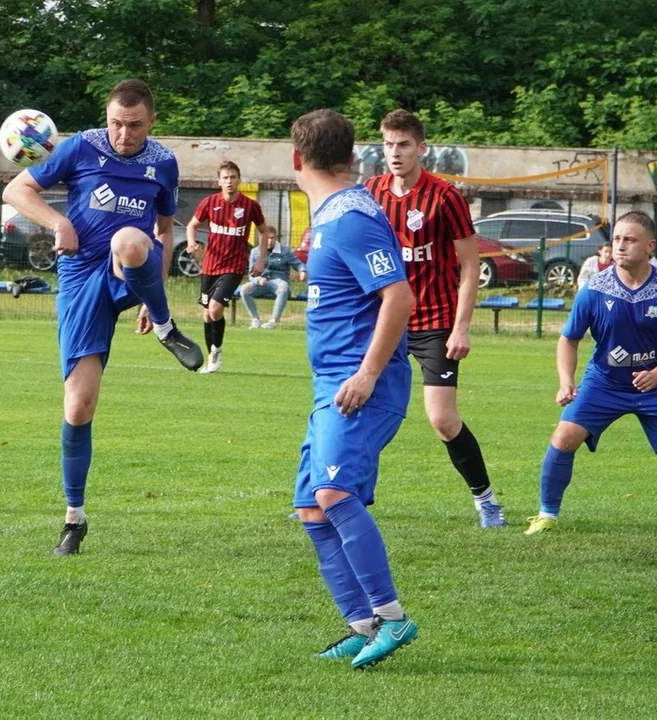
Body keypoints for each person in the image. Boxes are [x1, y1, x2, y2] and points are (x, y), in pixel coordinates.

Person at [2, 79, 204, 556]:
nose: (123, 133)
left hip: (130, 262)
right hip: (80, 278)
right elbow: (17, 189)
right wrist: (59, 222)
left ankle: (164, 324)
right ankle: (74, 518)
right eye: (116, 122)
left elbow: (162, 230)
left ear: (151, 122)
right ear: (106, 116)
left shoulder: (163, 163)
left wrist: (152, 288)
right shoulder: (80, 148)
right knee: (78, 406)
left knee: (129, 242)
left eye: (134, 125)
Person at [290, 109, 418, 669]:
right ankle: (363, 625)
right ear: (352, 156)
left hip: (361, 384)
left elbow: (399, 296)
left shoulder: (350, 218)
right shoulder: (334, 215)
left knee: (335, 495)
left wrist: (366, 373)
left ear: (298, 161)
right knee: (311, 509)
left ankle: (393, 619)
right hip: (331, 384)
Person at [523, 212, 657, 537]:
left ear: (650, 246)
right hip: (603, 383)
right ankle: (546, 515)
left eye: (630, 240)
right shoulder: (593, 290)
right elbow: (568, 340)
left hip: (656, 386)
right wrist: (567, 382)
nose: (620, 246)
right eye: (617, 239)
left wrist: (656, 374)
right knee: (563, 438)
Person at [364, 109, 504, 528]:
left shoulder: (445, 196)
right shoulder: (371, 192)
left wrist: (461, 325)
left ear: (421, 148)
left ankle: (486, 500)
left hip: (435, 322)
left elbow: (469, 263)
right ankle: (340, 495)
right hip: (386, 319)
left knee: (442, 420)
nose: (395, 152)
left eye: (403, 144)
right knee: (358, 406)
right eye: (388, 144)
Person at [184, 161, 271, 373]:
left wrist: (260, 260)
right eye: (225, 177)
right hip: (210, 266)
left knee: (214, 309)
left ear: (239, 180)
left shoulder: (250, 206)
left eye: (232, 177)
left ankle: (217, 351)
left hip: (234, 266)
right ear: (219, 181)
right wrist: (191, 242)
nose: (229, 181)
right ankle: (211, 356)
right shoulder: (209, 202)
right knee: (206, 314)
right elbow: (192, 225)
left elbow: (264, 231)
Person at [238, 226, 306, 328]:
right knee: (244, 289)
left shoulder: (285, 251)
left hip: (279, 283)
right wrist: (258, 279)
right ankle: (255, 319)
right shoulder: (255, 252)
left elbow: (298, 264)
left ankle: (274, 321)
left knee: (283, 287)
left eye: (272, 237)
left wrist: (302, 271)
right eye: (266, 238)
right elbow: (251, 274)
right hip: (262, 284)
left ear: (276, 238)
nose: (269, 241)